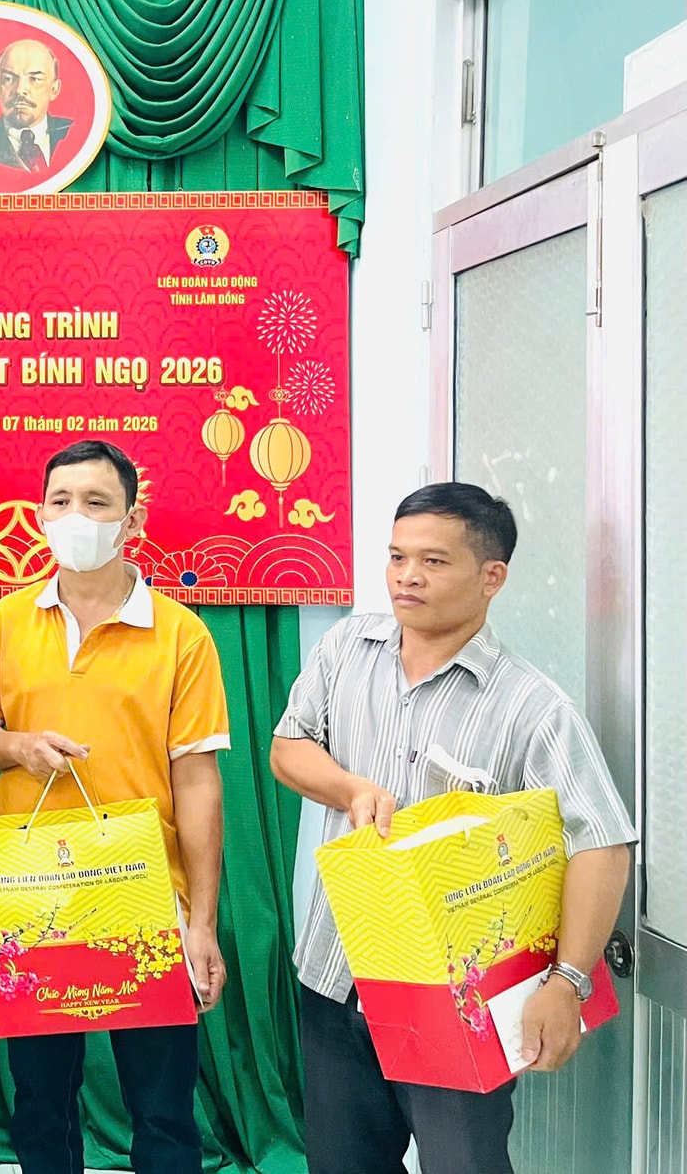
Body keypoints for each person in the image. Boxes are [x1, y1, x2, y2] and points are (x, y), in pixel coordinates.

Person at [270, 483, 635, 1174]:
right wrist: (350, 788)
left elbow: (601, 842)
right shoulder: (347, 647)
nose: (407, 576)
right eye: (397, 556)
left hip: (458, 1000)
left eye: (433, 561)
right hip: (336, 973)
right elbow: (289, 745)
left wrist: (568, 982)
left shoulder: (532, 706)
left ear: (491, 577)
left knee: (462, 1163)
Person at [0, 439, 229, 1174]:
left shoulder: (181, 634)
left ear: (132, 520)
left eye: (97, 502)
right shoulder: (5, 621)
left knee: (163, 1107)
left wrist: (202, 922)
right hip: (33, 896)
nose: (75, 515)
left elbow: (198, 782)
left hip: (146, 894)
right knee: (41, 1101)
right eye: (61, 501)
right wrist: (17, 746)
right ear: (40, 513)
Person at [0, 39, 75, 181]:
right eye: (8, 79)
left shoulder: (76, 135)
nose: (20, 90)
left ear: (54, 89)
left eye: (34, 79)